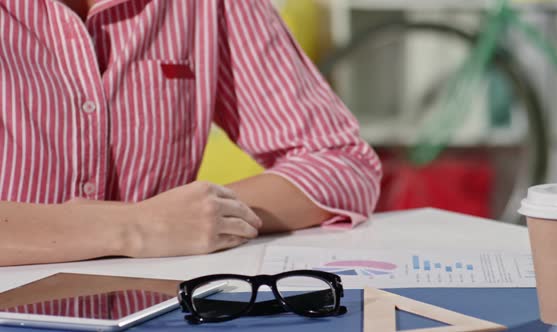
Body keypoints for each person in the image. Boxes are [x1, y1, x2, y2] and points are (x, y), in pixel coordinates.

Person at [0, 0, 382, 266]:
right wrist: (134, 227)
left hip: (156, 311)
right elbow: (146, 226)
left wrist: (196, 218)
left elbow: (341, 162)